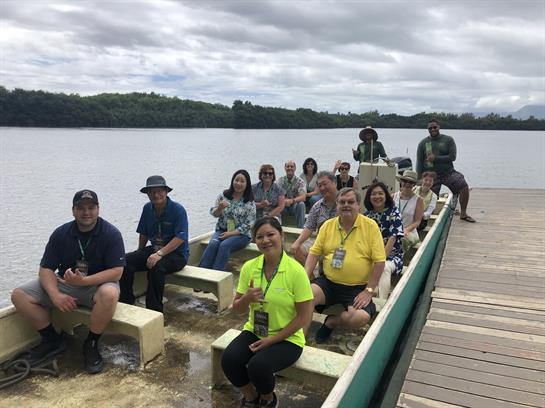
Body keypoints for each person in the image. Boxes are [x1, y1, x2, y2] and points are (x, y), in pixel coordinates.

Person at [11, 190, 126, 374]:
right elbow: (46, 268)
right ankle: (52, 340)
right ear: (73, 210)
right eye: (80, 208)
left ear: (98, 209)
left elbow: (117, 272)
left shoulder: (111, 234)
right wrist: (55, 295)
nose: (86, 212)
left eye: (91, 207)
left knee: (110, 294)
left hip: (96, 285)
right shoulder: (61, 233)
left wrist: (85, 281)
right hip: (66, 283)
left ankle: (92, 343)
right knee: (19, 295)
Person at [221, 217, 313, 408]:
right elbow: (237, 308)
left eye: (270, 234)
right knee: (229, 359)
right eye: (260, 237)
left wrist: (272, 340)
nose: (265, 240)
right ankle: (250, 396)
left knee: (258, 366)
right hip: (256, 330)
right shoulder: (250, 267)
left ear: (282, 235)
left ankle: (268, 399)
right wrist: (247, 298)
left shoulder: (296, 271)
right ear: (255, 241)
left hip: (288, 338)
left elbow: (304, 317)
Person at [304, 188, 385, 343]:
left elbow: (379, 261)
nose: (346, 205)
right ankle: (302, 335)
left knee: (360, 318)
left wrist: (369, 290)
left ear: (358, 206)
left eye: (350, 202)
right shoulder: (328, 225)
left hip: (357, 287)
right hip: (328, 282)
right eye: (342, 202)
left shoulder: (370, 226)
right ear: (337, 205)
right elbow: (314, 253)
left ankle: (331, 322)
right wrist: (305, 277)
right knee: (305, 296)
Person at [119, 175, 189, 313]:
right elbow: (143, 232)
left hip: (177, 254)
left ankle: (154, 312)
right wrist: (139, 252)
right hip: (155, 249)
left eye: (159, 191)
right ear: (147, 194)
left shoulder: (177, 209)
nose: (156, 195)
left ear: (166, 191)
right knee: (125, 261)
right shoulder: (147, 208)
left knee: (156, 267)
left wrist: (159, 254)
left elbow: (180, 238)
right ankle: (126, 301)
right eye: (152, 192)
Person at [416, 119, 475, 222]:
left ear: (439, 127)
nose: (433, 129)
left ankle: (463, 213)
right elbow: (419, 162)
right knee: (426, 197)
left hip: (448, 172)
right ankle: (422, 219)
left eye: (435, 127)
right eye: (430, 128)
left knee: (463, 185)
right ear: (427, 129)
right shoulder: (423, 143)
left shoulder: (448, 140)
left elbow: (453, 157)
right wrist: (418, 179)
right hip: (431, 176)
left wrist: (436, 158)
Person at [198, 170, 256, 272]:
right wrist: (219, 208)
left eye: (242, 181)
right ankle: (201, 276)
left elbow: (248, 224)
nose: (238, 183)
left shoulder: (249, 202)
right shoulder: (223, 196)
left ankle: (215, 278)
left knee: (224, 245)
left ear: (247, 184)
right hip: (222, 230)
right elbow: (214, 213)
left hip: (242, 235)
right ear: (232, 181)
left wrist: (230, 234)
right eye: (236, 180)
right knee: (213, 244)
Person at [363, 182, 404, 299]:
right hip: (370, 255)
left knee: (384, 267)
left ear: (386, 196)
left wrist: (380, 259)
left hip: (391, 256)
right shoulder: (366, 215)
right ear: (369, 197)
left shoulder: (394, 212)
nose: (377, 197)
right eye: (374, 194)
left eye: (380, 193)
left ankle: (381, 302)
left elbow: (393, 237)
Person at [289, 171, 338, 265]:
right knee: (297, 249)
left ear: (334, 183)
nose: (322, 188)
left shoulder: (345, 203)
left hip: (339, 243)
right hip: (319, 241)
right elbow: (309, 227)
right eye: (319, 186)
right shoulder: (317, 206)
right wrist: (297, 242)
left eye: (325, 184)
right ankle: (311, 277)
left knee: (334, 265)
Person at [392, 170, 424, 253]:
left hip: (410, 232)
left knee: (403, 239)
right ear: (401, 182)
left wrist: (406, 230)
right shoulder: (393, 197)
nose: (407, 184)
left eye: (410, 182)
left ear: (414, 184)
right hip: (394, 230)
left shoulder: (419, 200)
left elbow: (417, 221)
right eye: (405, 181)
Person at [277, 161, 306, 228]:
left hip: (294, 206)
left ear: (295, 168)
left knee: (301, 204)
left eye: (291, 166)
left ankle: (300, 229)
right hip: (284, 206)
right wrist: (285, 201)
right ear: (285, 168)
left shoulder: (300, 181)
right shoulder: (280, 181)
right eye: (287, 166)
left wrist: (292, 201)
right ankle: (278, 228)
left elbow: (303, 197)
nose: (289, 168)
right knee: (277, 204)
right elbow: (277, 195)